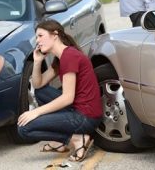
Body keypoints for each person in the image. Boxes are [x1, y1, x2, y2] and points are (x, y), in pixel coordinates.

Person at [17, 19, 102, 162]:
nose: (37, 41)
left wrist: (35, 112)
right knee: (41, 92)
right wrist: (37, 62)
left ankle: (76, 139)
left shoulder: (69, 57)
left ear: (55, 35)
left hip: (86, 117)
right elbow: (38, 85)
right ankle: (60, 143)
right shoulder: (61, 57)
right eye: (36, 37)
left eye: (40, 36)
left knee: (24, 129)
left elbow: (67, 98)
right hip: (78, 109)